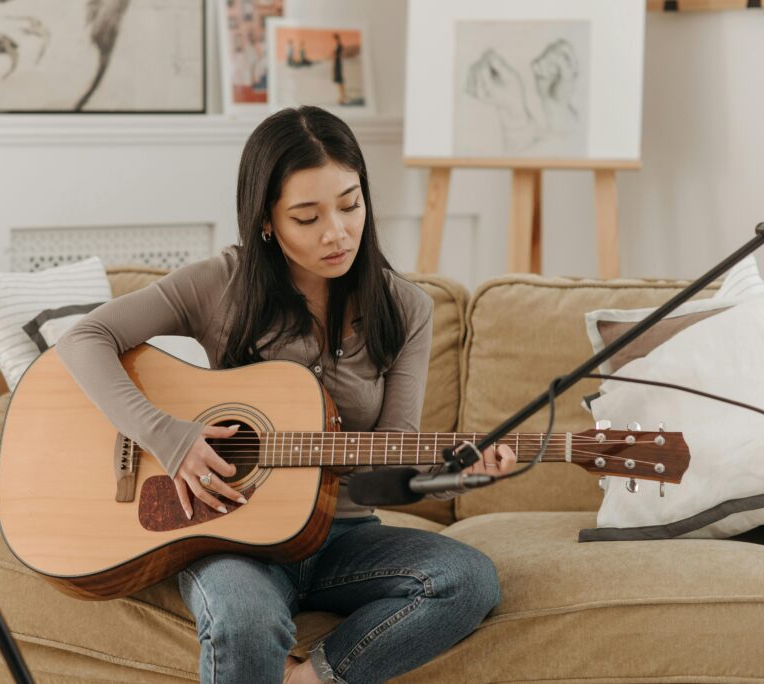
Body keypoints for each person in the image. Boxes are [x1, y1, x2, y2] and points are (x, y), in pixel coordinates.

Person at [58, 106, 517, 684]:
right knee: (242, 617)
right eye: (308, 216)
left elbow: (392, 459)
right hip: (233, 538)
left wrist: (456, 472)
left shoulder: (407, 308)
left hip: (343, 536)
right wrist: (169, 438)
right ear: (268, 222)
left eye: (350, 205)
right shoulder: (218, 284)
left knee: (468, 579)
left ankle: (311, 679)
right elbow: (85, 339)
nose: (338, 232)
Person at [333, 33, 346, 104]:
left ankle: (342, 97)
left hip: (338, 63)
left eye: (335, 39)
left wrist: (337, 56)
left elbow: (340, 54)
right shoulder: (337, 45)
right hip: (337, 63)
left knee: (340, 80)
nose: (335, 40)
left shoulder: (339, 45)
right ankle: (342, 96)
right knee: (339, 81)